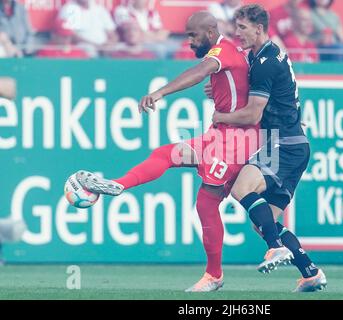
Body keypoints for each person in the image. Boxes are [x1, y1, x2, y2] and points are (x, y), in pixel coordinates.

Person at [73, 11, 259, 292]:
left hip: (237, 141)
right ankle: (118, 185)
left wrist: (160, 92)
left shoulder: (222, 51)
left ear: (210, 33)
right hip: (219, 136)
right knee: (166, 155)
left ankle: (217, 274)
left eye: (193, 36)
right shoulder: (229, 54)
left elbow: (198, 72)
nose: (189, 42)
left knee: (208, 202)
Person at [213, 4, 327, 292]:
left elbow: (252, 114)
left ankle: (276, 248)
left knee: (241, 189)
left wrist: (221, 116)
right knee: (264, 222)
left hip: (282, 144)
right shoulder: (263, 55)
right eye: (236, 27)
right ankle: (310, 272)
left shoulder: (266, 63)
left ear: (259, 28)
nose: (237, 33)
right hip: (295, 145)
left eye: (242, 28)